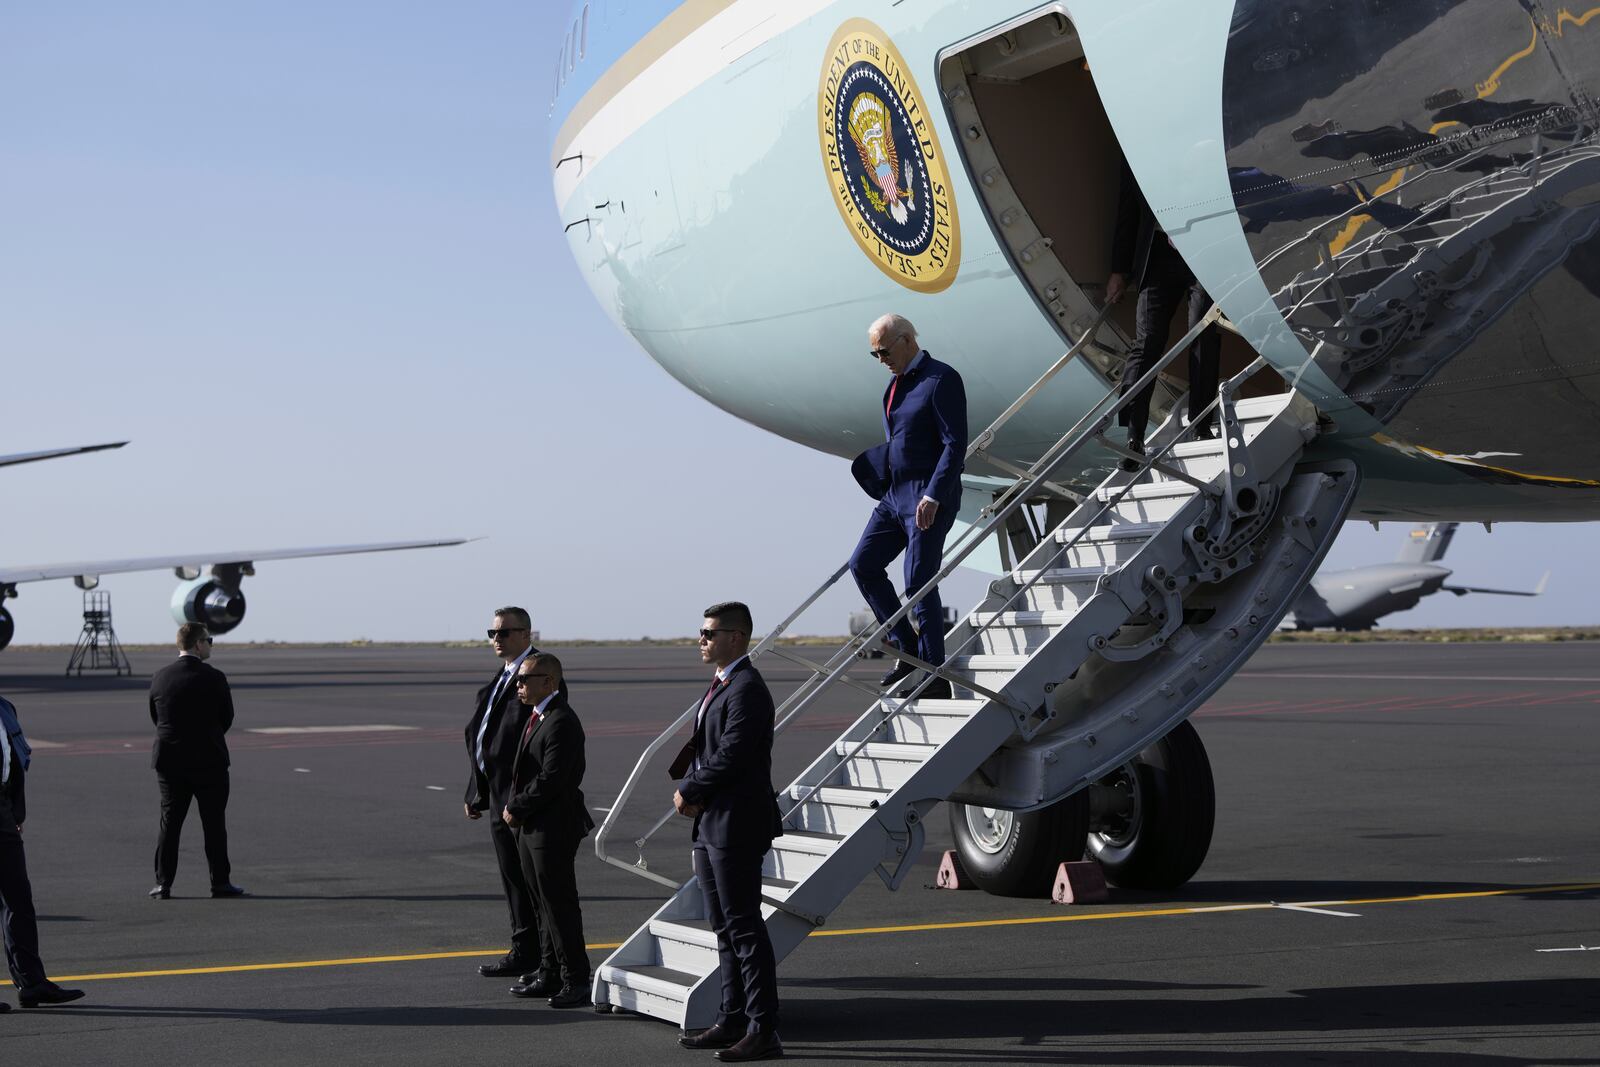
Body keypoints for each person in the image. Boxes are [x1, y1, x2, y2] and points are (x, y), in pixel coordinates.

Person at [674, 602, 784, 1063]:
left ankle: (763, 1030)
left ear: (736, 637)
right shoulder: (723, 683)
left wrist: (690, 788)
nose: (702, 639)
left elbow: (735, 752)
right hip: (712, 821)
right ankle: (731, 1018)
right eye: (701, 632)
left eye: (710, 633)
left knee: (744, 927)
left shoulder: (747, 689)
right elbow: (709, 747)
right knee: (723, 927)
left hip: (737, 823)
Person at [848, 313, 968, 699]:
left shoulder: (940, 379)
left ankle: (935, 677)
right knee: (863, 564)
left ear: (906, 341)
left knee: (918, 581)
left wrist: (933, 494)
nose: (880, 359)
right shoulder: (894, 386)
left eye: (883, 350)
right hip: (894, 497)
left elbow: (955, 443)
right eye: (874, 354)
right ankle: (906, 647)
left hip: (926, 498)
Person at [1107, 159, 1221, 470]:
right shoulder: (1131, 148)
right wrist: (1119, 270)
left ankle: (1201, 425)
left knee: (1202, 334)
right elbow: (1128, 210)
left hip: (1201, 246)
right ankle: (1134, 436)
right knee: (1147, 343)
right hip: (1157, 254)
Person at [501, 653, 594, 1008]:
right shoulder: (539, 716)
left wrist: (517, 806)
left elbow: (552, 779)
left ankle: (575, 978)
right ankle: (549, 970)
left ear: (549, 682)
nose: (518, 685)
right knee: (540, 903)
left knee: (558, 905)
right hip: (532, 826)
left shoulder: (561, 721)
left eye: (525, 679)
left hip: (552, 826)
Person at [464, 606, 550, 981]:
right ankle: (524, 950)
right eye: (492, 633)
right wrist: (477, 790)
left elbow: (540, 743)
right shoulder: (505, 676)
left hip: (522, 799)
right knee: (513, 879)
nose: (496, 639)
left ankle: (547, 959)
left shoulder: (540, 675)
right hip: (498, 794)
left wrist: (519, 799)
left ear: (527, 635)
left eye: (504, 633)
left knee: (535, 884)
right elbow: (483, 735)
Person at [149, 623, 245, 899]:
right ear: (198, 644)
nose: (211, 645)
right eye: (209, 640)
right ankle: (220, 882)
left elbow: (156, 717)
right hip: (209, 760)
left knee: (170, 823)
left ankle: (163, 883)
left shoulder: (160, 677)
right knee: (214, 824)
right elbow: (227, 717)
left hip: (169, 761)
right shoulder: (214, 677)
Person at [1, 696, 85, 1010]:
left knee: (18, 898)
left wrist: (16, 813)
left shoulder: (4, 708)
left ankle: (32, 982)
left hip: (3, 813)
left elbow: (13, 762)